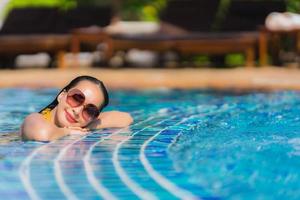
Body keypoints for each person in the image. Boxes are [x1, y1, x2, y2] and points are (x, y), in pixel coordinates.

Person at [20, 75, 133, 141]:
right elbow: (42, 135)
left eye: (90, 111)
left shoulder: (84, 124)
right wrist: (68, 131)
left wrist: (87, 124)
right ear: (62, 95)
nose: (78, 111)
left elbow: (126, 118)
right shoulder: (35, 119)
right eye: (77, 98)